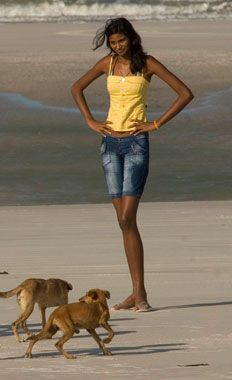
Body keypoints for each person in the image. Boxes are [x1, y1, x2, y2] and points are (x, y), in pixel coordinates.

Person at [71, 18, 193, 312]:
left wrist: (156, 124)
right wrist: (90, 121)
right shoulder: (108, 64)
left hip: (137, 144)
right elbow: (76, 88)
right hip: (110, 145)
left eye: (121, 41)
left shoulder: (147, 64)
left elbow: (185, 93)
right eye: (113, 43)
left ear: (131, 38)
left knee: (127, 218)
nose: (117, 46)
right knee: (124, 222)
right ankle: (138, 294)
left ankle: (139, 294)